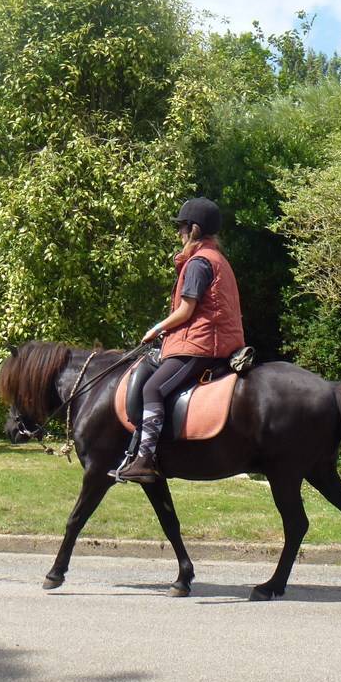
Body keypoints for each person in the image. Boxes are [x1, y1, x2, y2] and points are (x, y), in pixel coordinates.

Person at [113, 197, 246, 483]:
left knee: (153, 389)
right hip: (218, 340)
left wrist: (157, 328)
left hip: (202, 344)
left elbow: (186, 310)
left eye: (182, 227)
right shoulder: (218, 259)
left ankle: (145, 460)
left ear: (194, 229)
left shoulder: (199, 263)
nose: (179, 233)